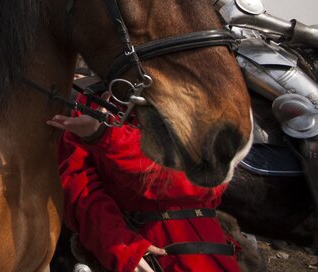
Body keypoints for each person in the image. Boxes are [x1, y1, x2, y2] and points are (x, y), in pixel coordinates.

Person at [193, 0, 318, 206]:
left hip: (261, 46)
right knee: (313, 107)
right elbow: (240, 14)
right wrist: (304, 32)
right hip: (245, 52)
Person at [49, 103, 241, 272]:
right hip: (146, 253)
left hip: (213, 251)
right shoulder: (88, 104)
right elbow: (78, 192)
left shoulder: (193, 100)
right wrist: (123, 249)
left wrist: (106, 137)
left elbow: (208, 184)